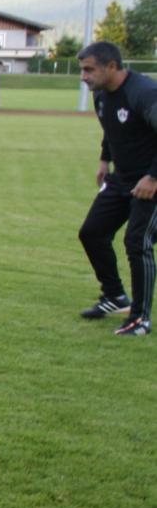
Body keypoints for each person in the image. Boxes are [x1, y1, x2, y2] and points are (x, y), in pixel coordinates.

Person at [76, 41, 157, 336]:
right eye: (82, 70)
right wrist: (104, 160)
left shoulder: (144, 93)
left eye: (89, 70)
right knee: (92, 233)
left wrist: (153, 177)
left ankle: (140, 319)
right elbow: (111, 129)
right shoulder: (101, 94)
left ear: (111, 67)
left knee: (137, 242)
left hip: (150, 182)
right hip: (121, 179)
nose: (83, 76)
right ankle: (115, 297)